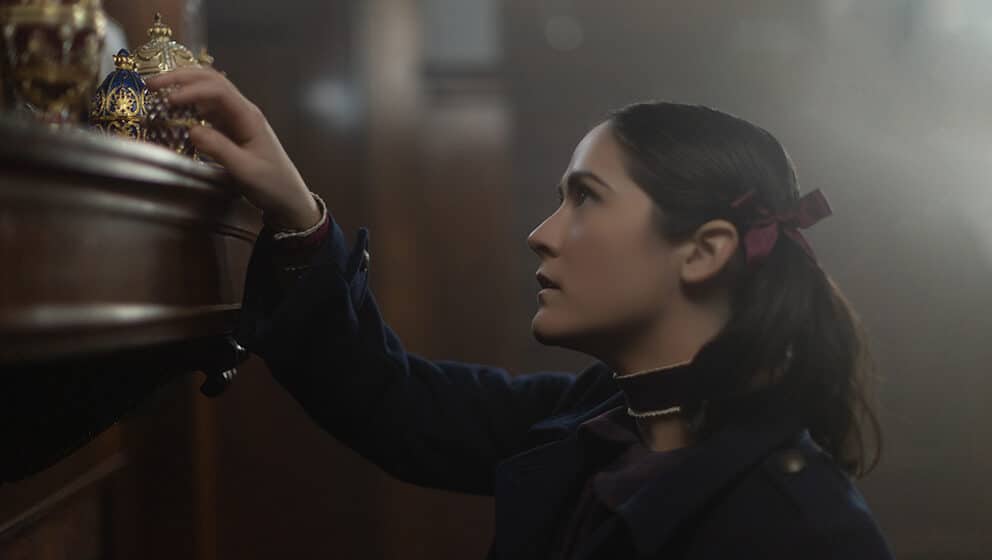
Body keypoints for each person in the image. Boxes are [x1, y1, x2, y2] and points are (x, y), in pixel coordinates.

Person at [146, 68, 895, 560]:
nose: (541, 233)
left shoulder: (805, 528)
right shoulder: (599, 417)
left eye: (585, 198)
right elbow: (394, 402)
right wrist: (298, 214)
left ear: (703, 251)